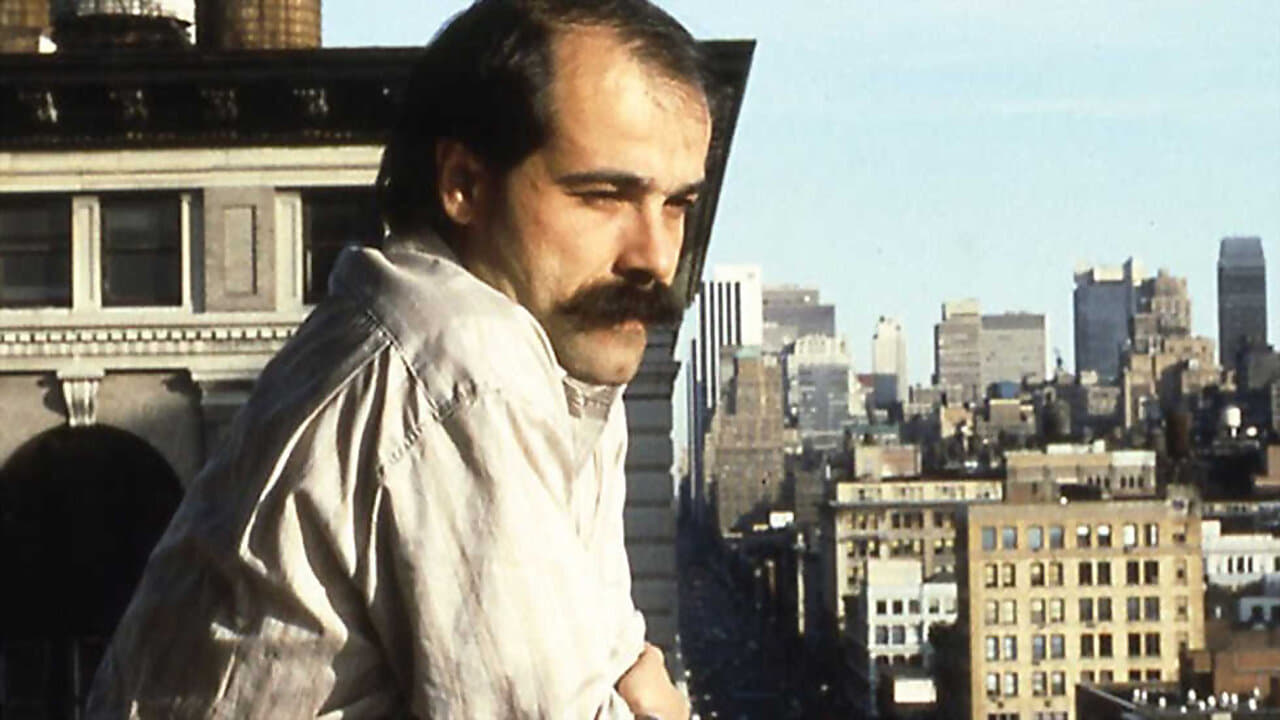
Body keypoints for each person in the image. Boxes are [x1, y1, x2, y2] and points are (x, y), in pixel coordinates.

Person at [86, 0, 712, 718]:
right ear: (463, 185)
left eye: (677, 205)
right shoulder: (462, 365)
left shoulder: (541, 358)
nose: (655, 256)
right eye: (604, 196)